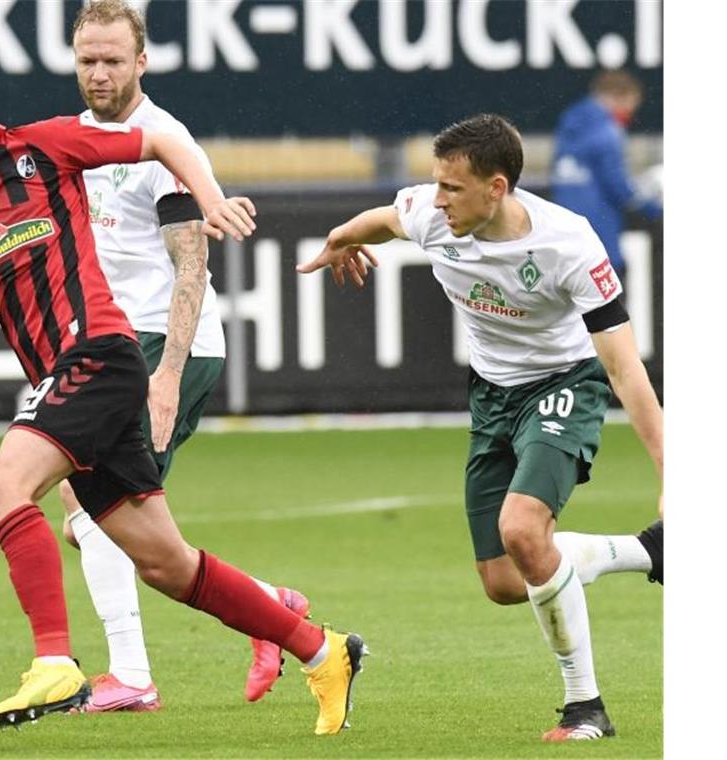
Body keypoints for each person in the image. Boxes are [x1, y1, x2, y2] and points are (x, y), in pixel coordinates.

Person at [0, 54, 366, 735]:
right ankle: (323, 650)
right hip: (70, 377)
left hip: (101, 356)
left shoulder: (38, 148)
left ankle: (54, 658)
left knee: (2, 488)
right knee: (168, 566)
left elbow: (162, 140)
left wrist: (210, 195)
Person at [297, 114, 662, 742]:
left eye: (453, 188)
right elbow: (386, 219)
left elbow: (625, 369)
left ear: (497, 188)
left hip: (564, 385)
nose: (438, 200)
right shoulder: (430, 214)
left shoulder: (568, 243)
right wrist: (343, 236)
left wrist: (671, 470)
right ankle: (651, 551)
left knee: (522, 528)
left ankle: (586, 708)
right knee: (503, 581)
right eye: (435, 184)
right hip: (491, 397)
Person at [59, 0, 308, 713]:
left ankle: (133, 676)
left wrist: (167, 373)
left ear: (142, 62)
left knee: (87, 501)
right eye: (87, 61)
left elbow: (190, 265)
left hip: (165, 345)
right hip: (114, 342)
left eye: (112, 60)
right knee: (116, 526)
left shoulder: (164, 142)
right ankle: (273, 610)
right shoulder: (76, 137)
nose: (99, 73)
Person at [551, 69, 663, 279]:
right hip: (600, 240)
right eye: (629, 106)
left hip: (563, 240)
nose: (629, 115)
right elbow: (619, 188)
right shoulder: (608, 132)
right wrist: (655, 210)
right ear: (616, 97)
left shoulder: (568, 123)